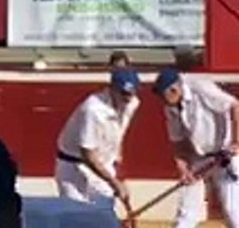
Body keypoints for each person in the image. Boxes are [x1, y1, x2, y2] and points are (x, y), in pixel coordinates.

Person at [152, 68, 239, 227]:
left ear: (174, 89)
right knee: (186, 211)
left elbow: (235, 106)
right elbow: (178, 142)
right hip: (199, 157)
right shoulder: (170, 107)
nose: (161, 99)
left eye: (162, 94)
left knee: (233, 210)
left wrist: (236, 142)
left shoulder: (200, 87)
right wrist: (184, 170)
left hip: (226, 155)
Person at [54, 68, 140, 212]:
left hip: (103, 164)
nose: (127, 98)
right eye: (123, 93)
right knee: (76, 216)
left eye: (131, 93)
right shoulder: (93, 110)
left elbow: (118, 136)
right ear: (112, 89)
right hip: (74, 167)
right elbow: (88, 155)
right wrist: (115, 182)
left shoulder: (132, 103)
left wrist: (119, 174)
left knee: (105, 213)